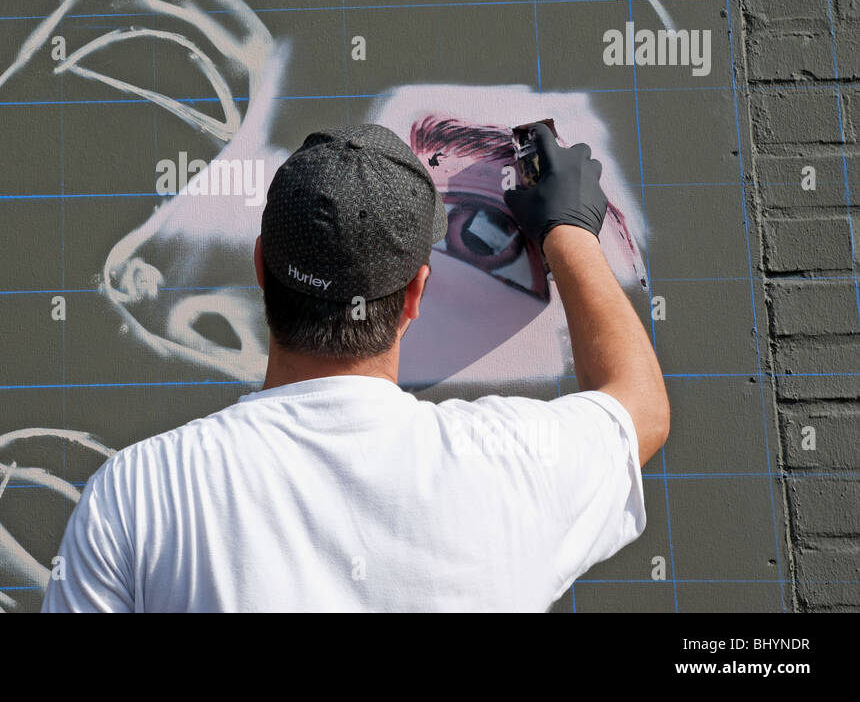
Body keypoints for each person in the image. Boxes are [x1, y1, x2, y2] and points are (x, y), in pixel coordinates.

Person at [41, 122, 669, 612]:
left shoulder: (139, 493)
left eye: (476, 233)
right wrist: (569, 231)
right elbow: (639, 406)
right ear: (417, 293)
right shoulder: (512, 465)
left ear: (260, 268)